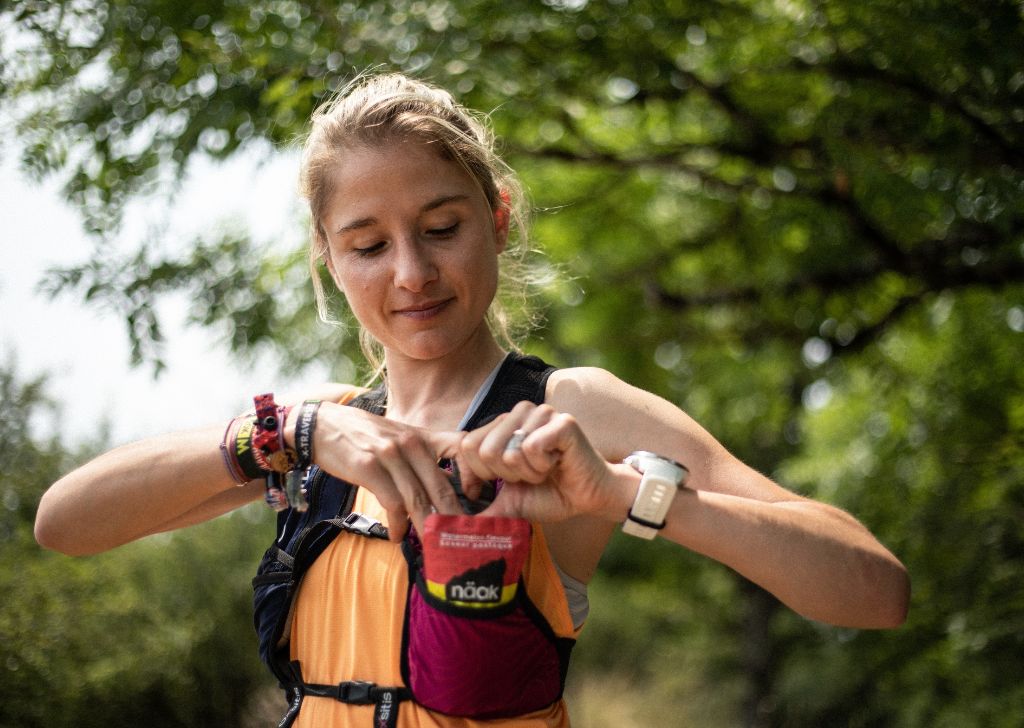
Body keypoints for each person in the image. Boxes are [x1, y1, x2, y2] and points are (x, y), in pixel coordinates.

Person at [34, 72, 910, 727]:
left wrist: (623, 497)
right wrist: (295, 430)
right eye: (369, 244)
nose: (412, 273)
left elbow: (875, 591)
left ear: (498, 215)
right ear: (330, 258)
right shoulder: (315, 437)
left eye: (443, 228)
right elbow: (65, 523)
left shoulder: (572, 411)